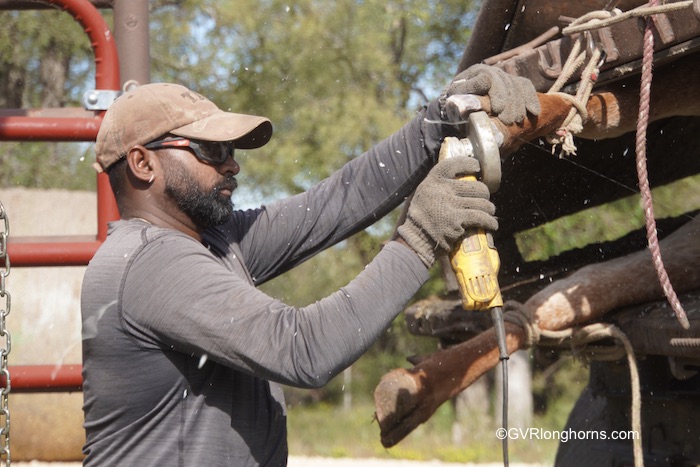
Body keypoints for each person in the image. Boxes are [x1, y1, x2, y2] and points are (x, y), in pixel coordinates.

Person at [81, 67, 539, 466]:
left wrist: (439, 119)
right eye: (211, 151)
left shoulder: (212, 241)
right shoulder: (150, 264)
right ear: (143, 164)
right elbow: (303, 350)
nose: (233, 166)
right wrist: (419, 237)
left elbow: (333, 204)